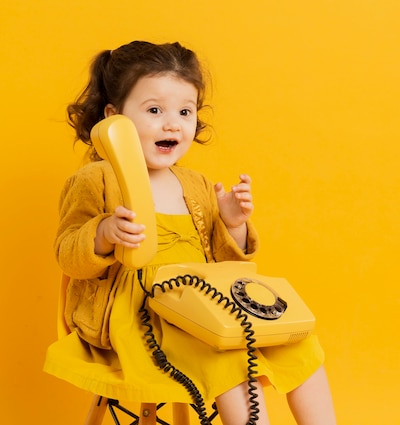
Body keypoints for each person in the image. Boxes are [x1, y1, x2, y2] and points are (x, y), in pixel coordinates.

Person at [44, 40, 336, 425]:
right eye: (154, 111)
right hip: (138, 318)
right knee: (228, 357)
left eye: (185, 111)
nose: (172, 124)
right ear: (113, 117)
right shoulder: (95, 179)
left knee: (300, 347)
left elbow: (226, 267)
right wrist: (104, 233)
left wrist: (232, 223)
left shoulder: (196, 183)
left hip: (201, 306)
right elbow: (68, 252)